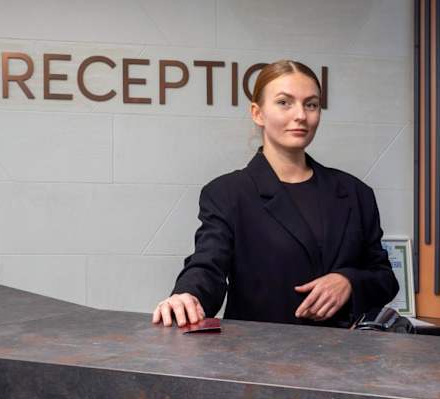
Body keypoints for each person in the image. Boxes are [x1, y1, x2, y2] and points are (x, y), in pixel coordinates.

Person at [151, 60, 399, 328]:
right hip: (257, 352)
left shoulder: (355, 193)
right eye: (284, 103)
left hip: (346, 352)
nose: (301, 115)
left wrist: (348, 282)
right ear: (257, 113)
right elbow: (207, 264)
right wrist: (187, 295)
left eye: (311, 104)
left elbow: (384, 278)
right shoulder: (227, 193)